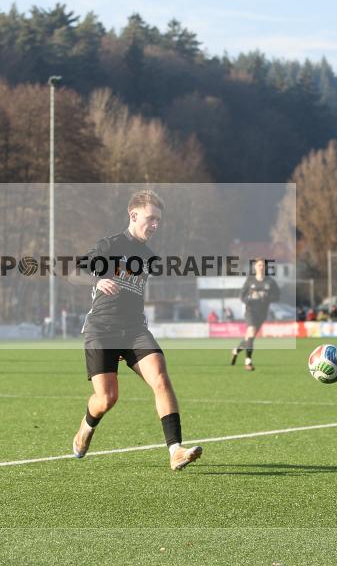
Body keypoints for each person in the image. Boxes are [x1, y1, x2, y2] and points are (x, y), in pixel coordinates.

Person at [70, 190, 202, 471]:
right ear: (133, 215)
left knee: (161, 377)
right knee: (107, 398)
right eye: (151, 218)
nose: (155, 225)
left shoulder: (150, 257)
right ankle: (85, 428)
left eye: (158, 221)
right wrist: (98, 279)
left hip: (133, 329)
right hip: (102, 329)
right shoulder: (111, 244)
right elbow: (76, 272)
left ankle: (175, 450)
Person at [230, 259, 280, 371]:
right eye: (259, 265)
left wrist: (266, 297)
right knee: (251, 332)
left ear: (265, 267)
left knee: (249, 338)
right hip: (250, 311)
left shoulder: (270, 282)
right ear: (255, 267)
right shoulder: (250, 280)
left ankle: (235, 351)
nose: (261, 267)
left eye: (263, 265)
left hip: (262, 313)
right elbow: (242, 296)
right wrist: (250, 299)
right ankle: (248, 362)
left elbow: (277, 297)